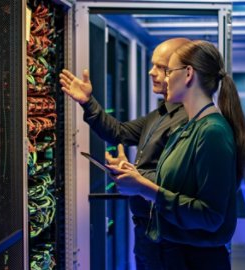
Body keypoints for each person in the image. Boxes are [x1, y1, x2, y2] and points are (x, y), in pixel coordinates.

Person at [106, 40, 245, 270]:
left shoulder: (212, 131)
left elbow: (211, 216)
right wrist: (133, 176)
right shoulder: (189, 127)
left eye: (169, 71)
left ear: (188, 74)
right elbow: (176, 187)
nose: (164, 78)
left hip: (196, 260)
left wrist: (143, 187)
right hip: (174, 254)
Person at [59, 38, 190, 270]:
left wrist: (133, 175)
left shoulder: (188, 120)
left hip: (169, 238)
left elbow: (177, 181)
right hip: (148, 232)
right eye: (153, 65)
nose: (152, 72)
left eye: (161, 67)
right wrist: (88, 103)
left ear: (185, 72)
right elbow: (119, 133)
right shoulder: (161, 113)